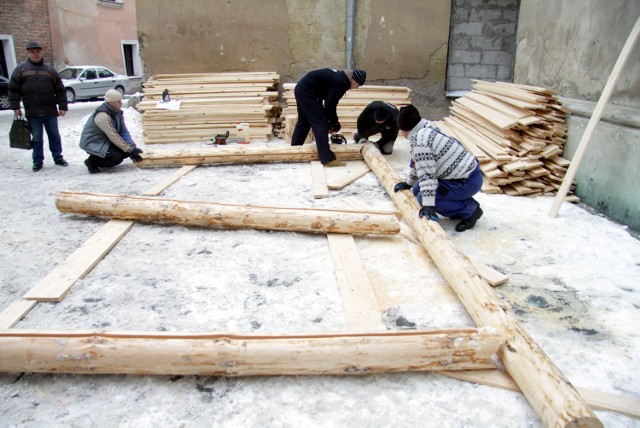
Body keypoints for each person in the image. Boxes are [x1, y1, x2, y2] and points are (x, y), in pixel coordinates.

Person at [393, 104, 483, 232]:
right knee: (417, 189)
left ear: (404, 129)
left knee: (424, 198)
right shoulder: (424, 128)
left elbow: (427, 175)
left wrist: (429, 206)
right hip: (458, 176)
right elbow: (419, 164)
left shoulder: (420, 142)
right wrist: (409, 183)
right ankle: (456, 204)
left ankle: (471, 210)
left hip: (466, 181)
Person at [8, 41, 68, 172]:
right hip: (32, 111)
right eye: (32, 52)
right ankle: (37, 161)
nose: (35, 54)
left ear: (41, 53)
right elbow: (13, 90)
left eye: (38, 51)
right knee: (36, 138)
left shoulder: (49, 70)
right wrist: (15, 107)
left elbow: (60, 89)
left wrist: (62, 106)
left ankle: (58, 157)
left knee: (54, 136)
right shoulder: (20, 70)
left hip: (50, 110)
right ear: (28, 53)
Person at [291, 68, 366, 167]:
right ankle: (327, 159)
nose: (356, 88)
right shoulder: (342, 82)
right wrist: (334, 123)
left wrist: (332, 122)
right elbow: (330, 105)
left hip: (302, 89)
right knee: (320, 124)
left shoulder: (341, 78)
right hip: (308, 93)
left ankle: (294, 151)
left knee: (304, 121)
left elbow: (328, 101)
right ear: (355, 81)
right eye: (358, 85)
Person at [79, 89, 143, 173]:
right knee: (116, 158)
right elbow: (113, 135)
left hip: (106, 141)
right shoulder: (102, 115)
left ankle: (102, 157)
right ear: (111, 102)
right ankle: (92, 162)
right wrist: (129, 150)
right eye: (118, 101)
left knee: (127, 151)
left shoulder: (117, 112)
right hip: (94, 143)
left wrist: (132, 148)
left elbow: (123, 131)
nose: (121, 103)